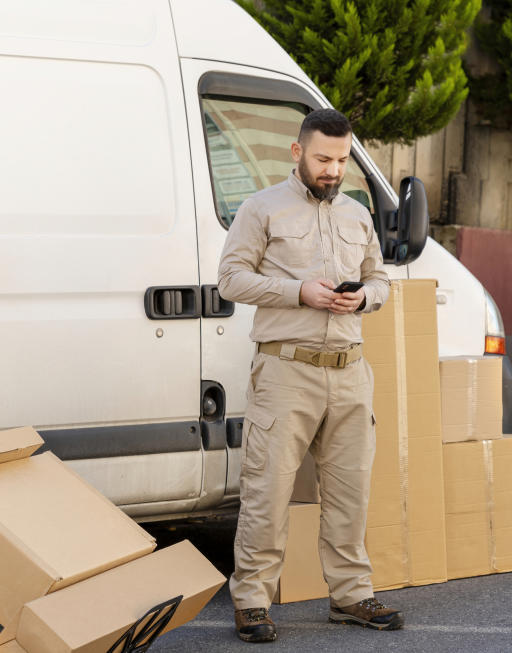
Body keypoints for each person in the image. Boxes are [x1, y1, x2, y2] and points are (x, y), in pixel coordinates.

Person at [217, 108, 402, 643]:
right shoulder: (261, 209)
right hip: (285, 370)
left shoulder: (358, 214)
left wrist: (365, 297)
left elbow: (380, 280)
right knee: (267, 492)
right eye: (323, 158)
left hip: (350, 373)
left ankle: (351, 596)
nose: (333, 170)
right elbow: (230, 280)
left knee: (351, 493)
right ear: (298, 152)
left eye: (342, 161)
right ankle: (252, 601)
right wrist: (298, 290)